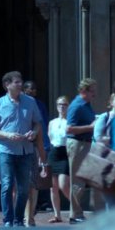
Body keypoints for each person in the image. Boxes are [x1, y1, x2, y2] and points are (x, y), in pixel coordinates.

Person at [0, 71, 46, 227]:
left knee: (24, 188)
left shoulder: (30, 102)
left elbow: (37, 123)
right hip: (5, 150)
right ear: (7, 85)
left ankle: (19, 220)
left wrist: (34, 132)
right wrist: (7, 135)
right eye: (16, 82)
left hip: (26, 150)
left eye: (21, 82)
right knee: (6, 185)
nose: (20, 85)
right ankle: (8, 220)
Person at [66, 78, 97, 224]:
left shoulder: (86, 105)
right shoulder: (77, 105)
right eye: (92, 91)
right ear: (84, 91)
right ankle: (75, 214)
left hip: (85, 143)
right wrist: (90, 127)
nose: (94, 94)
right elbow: (69, 129)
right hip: (77, 144)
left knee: (82, 180)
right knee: (77, 180)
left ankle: (77, 213)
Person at [23, 80, 50, 226]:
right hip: (20, 146)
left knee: (35, 180)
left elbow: (43, 125)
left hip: (36, 145)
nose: (33, 91)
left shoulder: (40, 105)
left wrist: (44, 146)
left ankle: (33, 210)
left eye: (35, 89)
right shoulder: (21, 104)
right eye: (30, 89)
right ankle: (22, 213)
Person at [46, 95, 70, 223]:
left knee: (63, 185)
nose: (62, 107)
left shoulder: (70, 121)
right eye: (60, 104)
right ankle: (57, 215)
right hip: (53, 153)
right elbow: (50, 138)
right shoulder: (52, 122)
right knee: (53, 187)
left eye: (64, 104)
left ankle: (76, 208)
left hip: (65, 152)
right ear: (56, 106)